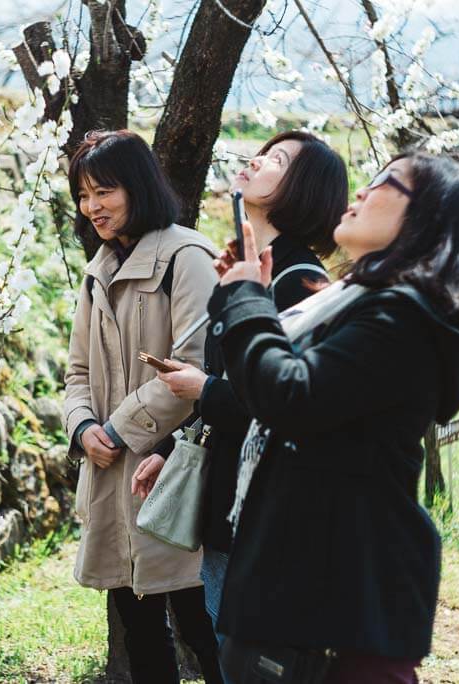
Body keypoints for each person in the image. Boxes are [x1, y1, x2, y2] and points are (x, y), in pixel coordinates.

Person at [208, 153, 459, 683]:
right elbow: (271, 388)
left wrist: (248, 302)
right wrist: (247, 297)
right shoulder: (351, 305)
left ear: (428, 219)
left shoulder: (402, 318)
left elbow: (290, 397)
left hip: (338, 607)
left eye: (386, 182)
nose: (361, 191)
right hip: (311, 591)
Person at [131, 131, 349, 651]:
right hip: (230, 502)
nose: (257, 159)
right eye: (264, 151)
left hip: (263, 520)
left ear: (305, 191)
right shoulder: (250, 271)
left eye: (277, 160)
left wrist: (202, 390)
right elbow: (234, 384)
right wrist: (174, 451)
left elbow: (284, 406)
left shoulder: (298, 283)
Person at [63, 130, 223, 683]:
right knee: (138, 626)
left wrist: (116, 427)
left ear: (137, 186)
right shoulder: (98, 271)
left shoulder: (187, 256)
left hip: (173, 468)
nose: (92, 207)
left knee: (202, 627)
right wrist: (82, 427)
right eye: (83, 195)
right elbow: (77, 372)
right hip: (112, 472)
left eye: (103, 191)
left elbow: (193, 366)